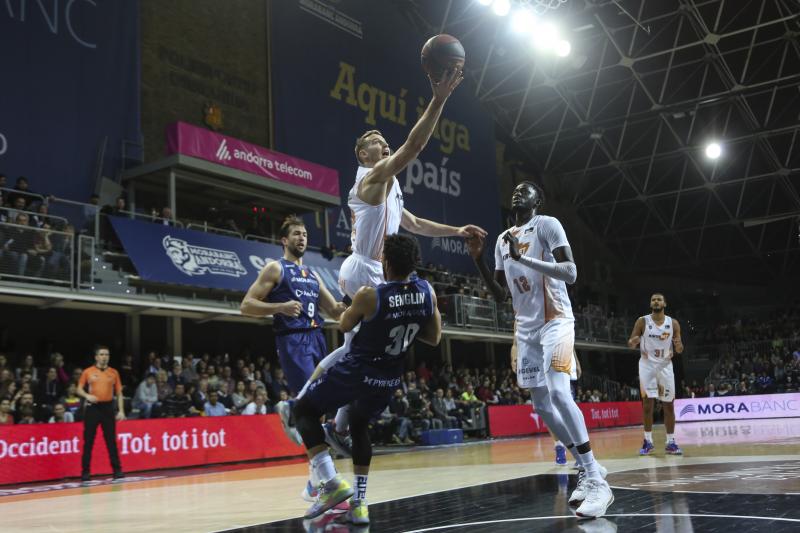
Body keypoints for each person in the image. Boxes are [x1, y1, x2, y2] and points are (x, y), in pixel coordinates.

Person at [310, 65, 485, 448]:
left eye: (384, 140)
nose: (384, 143)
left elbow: (416, 223)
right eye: (376, 141)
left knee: (358, 350)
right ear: (363, 154)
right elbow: (414, 147)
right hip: (366, 268)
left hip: (375, 269)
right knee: (368, 350)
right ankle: (316, 411)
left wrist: (457, 231)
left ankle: (332, 422)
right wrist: (438, 100)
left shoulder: (390, 184)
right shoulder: (370, 179)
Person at [467, 181, 613, 519]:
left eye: (526, 189)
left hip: (556, 321)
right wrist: (478, 261)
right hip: (526, 330)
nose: (518, 191)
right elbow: (500, 295)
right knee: (542, 405)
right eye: (515, 188)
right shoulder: (503, 240)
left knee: (560, 393)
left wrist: (525, 258)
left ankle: (596, 479)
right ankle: (585, 466)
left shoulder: (547, 224)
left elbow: (571, 273)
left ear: (539, 200)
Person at [293, 234, 441, 525]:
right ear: (414, 263)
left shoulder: (370, 294)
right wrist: (404, 321)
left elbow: (344, 323)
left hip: (357, 371)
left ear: (386, 263)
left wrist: (352, 309)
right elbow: (434, 337)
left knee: (303, 410)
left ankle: (330, 482)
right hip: (388, 378)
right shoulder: (428, 292)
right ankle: (360, 505)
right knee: (359, 426)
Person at [240, 215, 348, 501]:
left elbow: (335, 311)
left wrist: (358, 299)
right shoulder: (276, 268)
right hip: (293, 340)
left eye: (305, 234)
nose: (302, 238)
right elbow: (246, 305)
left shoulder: (312, 274)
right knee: (310, 405)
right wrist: (280, 307)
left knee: (320, 410)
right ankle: (290, 408)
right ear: (284, 240)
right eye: (297, 234)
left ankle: (314, 482)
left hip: (317, 338)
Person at [628, 293, 685, 456]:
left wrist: (678, 346)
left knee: (668, 405)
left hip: (665, 365)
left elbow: (680, 349)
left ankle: (671, 442)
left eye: (659, 299)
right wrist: (633, 342)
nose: (656, 301)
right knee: (647, 404)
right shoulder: (642, 321)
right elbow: (631, 343)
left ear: (664, 303)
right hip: (647, 365)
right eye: (653, 299)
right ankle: (648, 441)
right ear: (650, 304)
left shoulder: (673, 323)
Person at [76, 345, 125, 484]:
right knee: (88, 441)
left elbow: (119, 393)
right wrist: (87, 396)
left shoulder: (114, 372)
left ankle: (117, 471)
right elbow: (79, 389)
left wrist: (121, 410)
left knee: (111, 441)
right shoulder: (88, 372)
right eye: (102, 354)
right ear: (96, 357)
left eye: (107, 354)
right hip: (93, 408)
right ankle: (85, 472)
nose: (105, 357)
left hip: (108, 408)